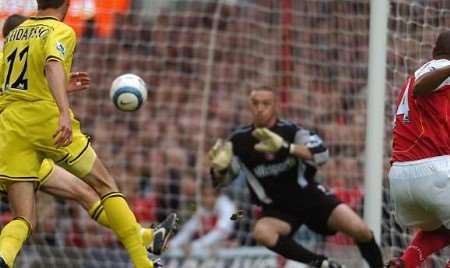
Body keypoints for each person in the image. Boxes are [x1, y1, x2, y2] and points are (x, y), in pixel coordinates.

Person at [0, 13, 177, 267]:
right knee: (102, 185)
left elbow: (22, 92)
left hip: (13, 143)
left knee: (80, 192)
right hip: (14, 142)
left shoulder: (11, 65)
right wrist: (60, 107)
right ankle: (142, 255)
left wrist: (59, 87)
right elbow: (39, 78)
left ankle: (144, 235)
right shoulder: (25, 53)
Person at [208, 85, 383, 268]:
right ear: (249, 106)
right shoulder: (239, 140)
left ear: (276, 106)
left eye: (266, 103)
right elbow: (222, 181)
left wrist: (286, 147)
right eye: (255, 103)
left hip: (309, 196)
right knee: (262, 232)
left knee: (360, 230)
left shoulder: (292, 132)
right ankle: (322, 264)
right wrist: (218, 169)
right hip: (276, 208)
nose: (260, 108)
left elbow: (321, 155)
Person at [387, 31, 450, 268]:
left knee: (442, 228)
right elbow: (423, 88)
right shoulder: (442, 69)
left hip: (403, 181)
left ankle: (406, 262)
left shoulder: (413, 76)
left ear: (434, 50)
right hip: (435, 172)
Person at [169, 183, 235, 254]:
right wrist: (172, 244)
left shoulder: (227, 207)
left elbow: (220, 232)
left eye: (211, 195)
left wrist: (194, 246)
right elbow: (188, 229)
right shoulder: (203, 209)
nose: (208, 199)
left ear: (217, 196)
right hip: (214, 249)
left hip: (235, 248)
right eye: (205, 196)